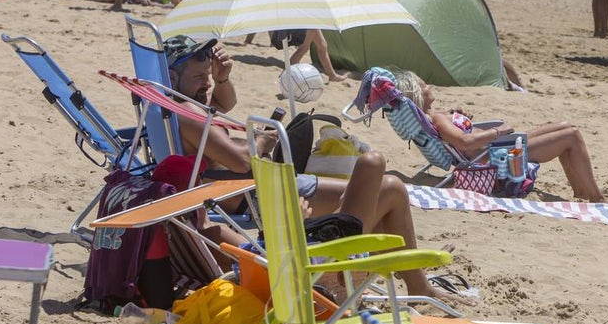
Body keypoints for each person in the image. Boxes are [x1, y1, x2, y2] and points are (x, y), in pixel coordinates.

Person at [164, 37, 442, 299]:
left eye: (207, 76)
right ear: (173, 77)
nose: (206, 84)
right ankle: (354, 272)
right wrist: (261, 140)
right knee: (381, 177)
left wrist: (221, 77)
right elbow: (240, 160)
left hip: (262, 198)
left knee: (384, 188)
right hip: (257, 196)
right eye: (199, 78)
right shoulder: (188, 114)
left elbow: (224, 103)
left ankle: (398, 281)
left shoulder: (175, 107)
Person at [394, 70, 604, 202]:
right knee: (571, 136)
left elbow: (458, 138)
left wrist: (455, 116)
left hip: (494, 148)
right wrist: (498, 131)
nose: (429, 86)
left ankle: (583, 191)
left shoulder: (436, 117)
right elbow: (465, 143)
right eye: (424, 86)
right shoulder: (437, 119)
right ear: (418, 94)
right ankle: (595, 197)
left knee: (566, 127)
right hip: (494, 155)